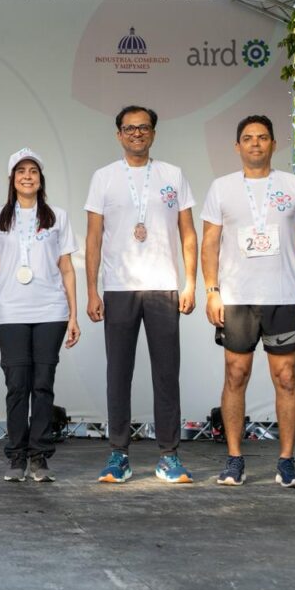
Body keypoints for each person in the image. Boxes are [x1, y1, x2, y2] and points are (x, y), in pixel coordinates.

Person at [200, 114, 295, 488]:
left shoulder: (294, 186)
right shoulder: (221, 188)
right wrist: (212, 290)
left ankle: (286, 462)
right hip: (237, 299)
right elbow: (209, 243)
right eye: (248, 138)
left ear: (273, 144)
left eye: (263, 137)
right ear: (237, 146)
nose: (255, 143)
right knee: (235, 375)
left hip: (282, 296)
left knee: (286, 378)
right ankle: (235, 459)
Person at [85, 105, 198, 484]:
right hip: (119, 288)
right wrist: (92, 290)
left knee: (167, 373)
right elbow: (93, 238)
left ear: (153, 133)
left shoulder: (172, 175)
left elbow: (188, 233)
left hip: (163, 287)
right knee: (118, 374)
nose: (137, 133)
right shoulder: (103, 177)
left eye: (144, 127)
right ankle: (118, 454)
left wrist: (190, 283)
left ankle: (169, 455)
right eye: (130, 128)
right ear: (119, 134)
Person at [0, 148, 80, 483]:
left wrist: (73, 315)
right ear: (12, 179)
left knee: (43, 384)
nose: (27, 176)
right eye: (21, 171)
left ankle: (39, 456)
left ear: (40, 179)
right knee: (17, 385)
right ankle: (16, 456)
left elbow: (67, 268)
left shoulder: (57, 217)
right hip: (10, 311)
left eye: (33, 171)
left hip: (51, 310)